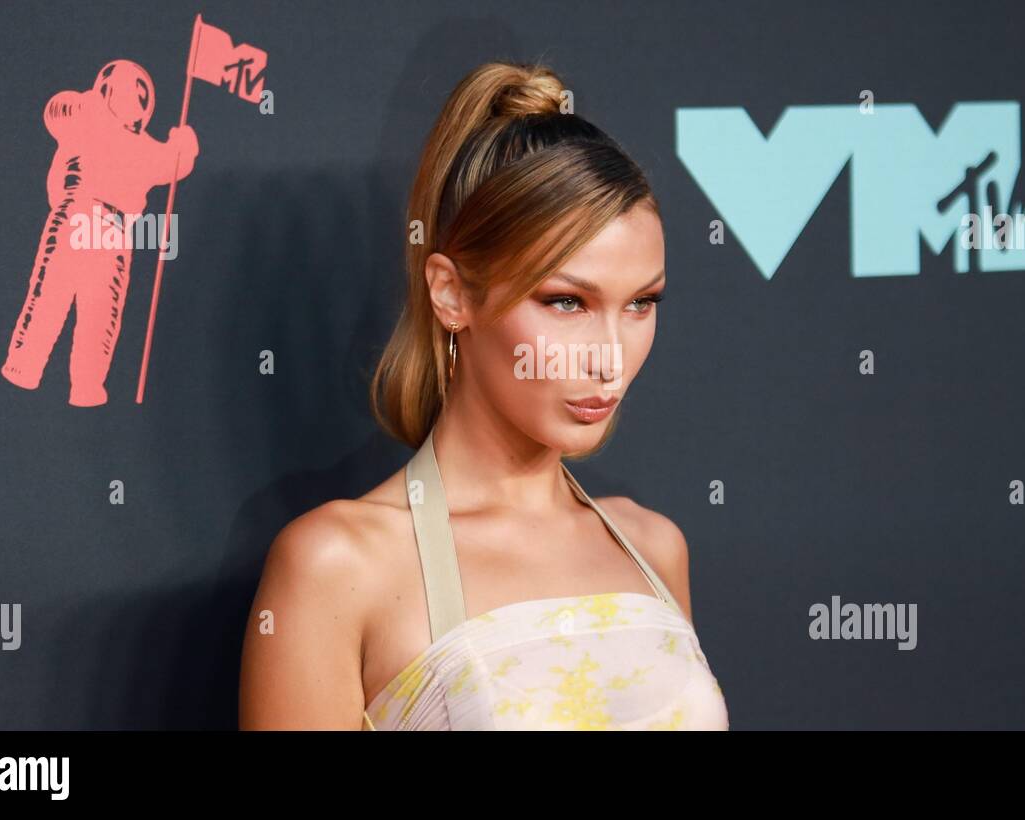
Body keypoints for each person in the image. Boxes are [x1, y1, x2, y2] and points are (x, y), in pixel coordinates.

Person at [239, 61, 728, 730]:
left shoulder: (653, 546)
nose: (610, 356)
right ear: (450, 294)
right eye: (566, 301)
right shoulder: (337, 566)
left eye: (642, 302)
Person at [1, 60, 198, 406]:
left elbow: (172, 163)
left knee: (100, 312)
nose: (136, 99)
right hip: (76, 210)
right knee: (50, 295)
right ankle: (23, 365)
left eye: (142, 94)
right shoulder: (84, 115)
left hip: (114, 230)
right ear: (107, 87)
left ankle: (87, 385)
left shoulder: (142, 146)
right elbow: (55, 112)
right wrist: (86, 103)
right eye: (130, 89)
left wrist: (184, 146)